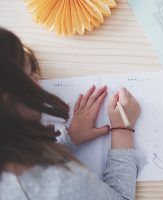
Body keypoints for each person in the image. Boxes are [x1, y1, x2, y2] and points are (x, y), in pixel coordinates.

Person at [0, 27, 144, 200]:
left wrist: (70, 138)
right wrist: (122, 129)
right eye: (31, 74)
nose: (38, 80)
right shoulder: (61, 184)